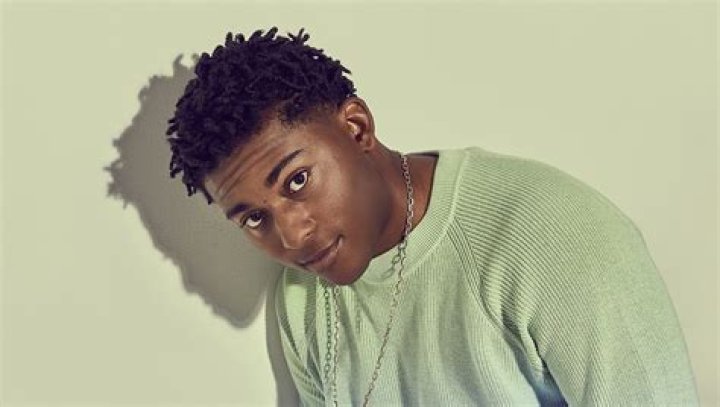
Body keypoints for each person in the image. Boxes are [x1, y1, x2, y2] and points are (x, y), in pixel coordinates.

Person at [165, 27, 699, 406]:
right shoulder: (303, 300)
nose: (292, 235)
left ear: (356, 127)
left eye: (298, 181)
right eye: (253, 219)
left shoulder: (553, 233)